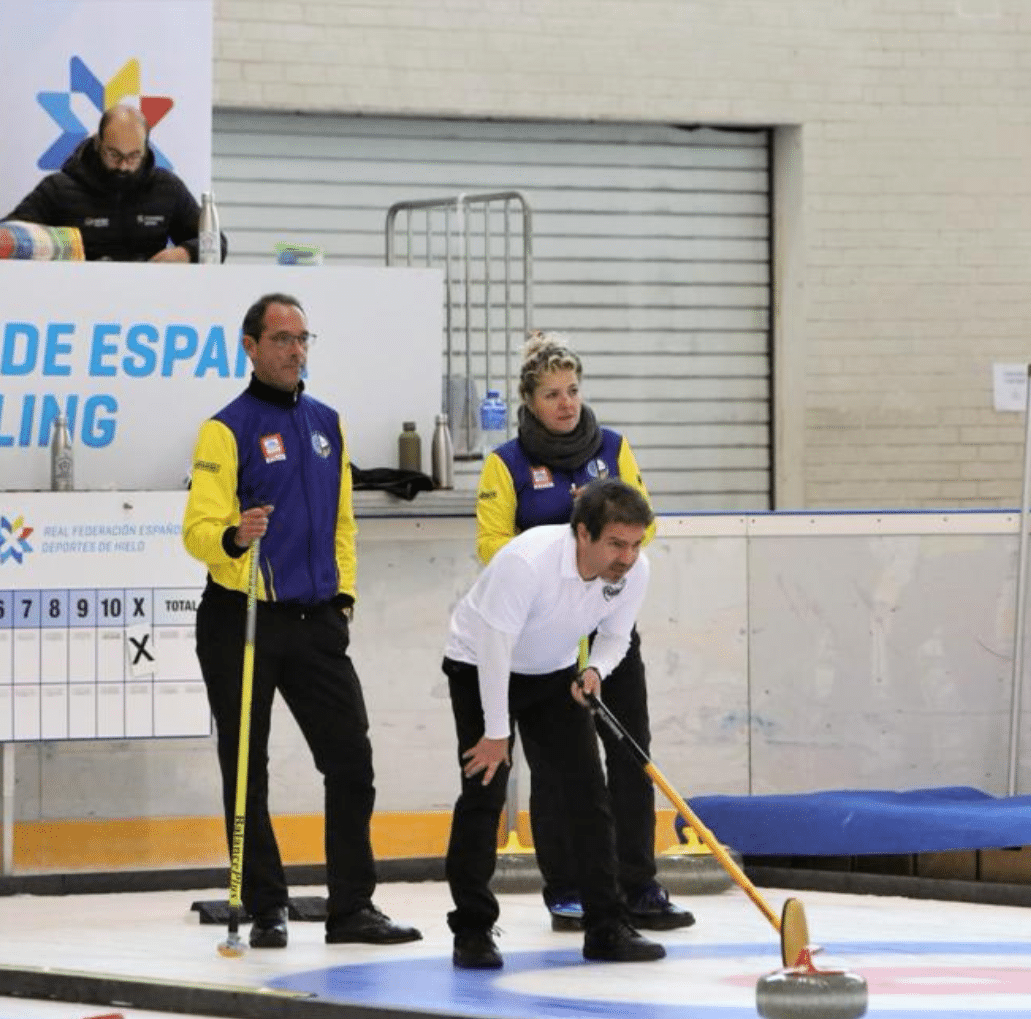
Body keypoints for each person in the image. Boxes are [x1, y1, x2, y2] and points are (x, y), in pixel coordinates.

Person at [182, 292, 418, 949]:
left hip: (316, 622)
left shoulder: (327, 424)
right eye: (281, 339)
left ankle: (352, 909)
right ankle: (266, 904)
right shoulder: (224, 429)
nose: (294, 350)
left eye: (302, 338)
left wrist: (343, 598)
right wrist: (233, 534)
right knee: (246, 766)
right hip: (243, 617)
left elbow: (343, 523)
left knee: (351, 762)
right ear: (250, 347)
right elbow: (196, 528)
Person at [475, 331, 694, 933]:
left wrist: (606, 561)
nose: (566, 403)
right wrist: (563, 558)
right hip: (545, 646)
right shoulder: (507, 464)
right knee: (559, 770)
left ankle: (636, 882)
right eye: (552, 394)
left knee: (629, 754)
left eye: (573, 390)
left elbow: (640, 522)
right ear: (529, 399)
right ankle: (568, 887)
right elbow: (493, 548)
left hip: (607, 640)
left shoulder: (614, 449)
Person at [444, 477, 667, 969]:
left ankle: (606, 926)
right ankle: (473, 931)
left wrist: (594, 671)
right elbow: (495, 647)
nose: (626, 558)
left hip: (553, 674)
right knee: (485, 792)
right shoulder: (527, 562)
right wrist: (496, 733)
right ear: (582, 534)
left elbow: (616, 636)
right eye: (615, 544)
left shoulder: (635, 570)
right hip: (479, 666)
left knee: (589, 796)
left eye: (634, 545)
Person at [5, 104, 226, 263]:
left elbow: (217, 243)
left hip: (152, 305)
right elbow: (8, 236)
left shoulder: (167, 188)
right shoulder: (59, 189)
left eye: (133, 157)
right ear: (98, 143)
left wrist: (185, 253)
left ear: (146, 149)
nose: (123, 166)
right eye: (114, 155)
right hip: (74, 302)